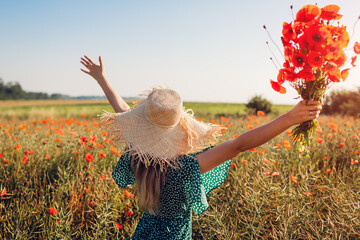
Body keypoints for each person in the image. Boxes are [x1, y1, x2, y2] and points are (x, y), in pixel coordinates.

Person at [80, 55, 322, 239]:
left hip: (144, 232)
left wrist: (101, 78)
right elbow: (239, 144)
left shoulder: (137, 154)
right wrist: (290, 118)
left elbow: (122, 110)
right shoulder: (186, 167)